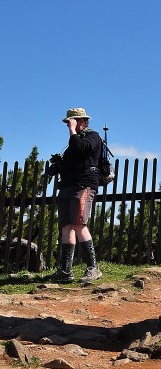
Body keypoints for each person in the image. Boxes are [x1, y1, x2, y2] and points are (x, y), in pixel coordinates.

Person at [50, 107, 103, 284]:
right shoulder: (72, 143)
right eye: (68, 122)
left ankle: (93, 268)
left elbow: (82, 149)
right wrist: (59, 165)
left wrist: (73, 131)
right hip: (67, 187)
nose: (69, 125)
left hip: (83, 185)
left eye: (72, 121)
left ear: (83, 121)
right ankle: (66, 271)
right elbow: (73, 156)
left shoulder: (93, 136)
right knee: (66, 226)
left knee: (79, 223)